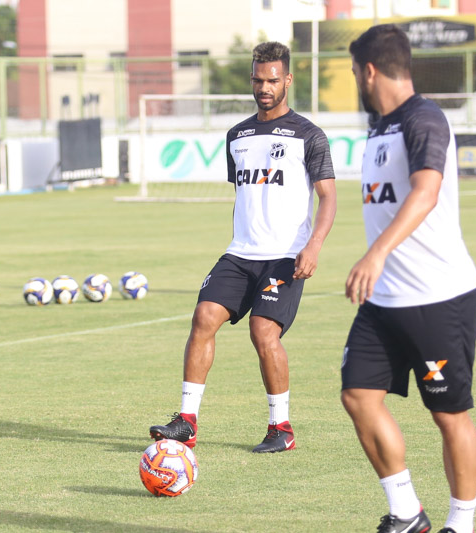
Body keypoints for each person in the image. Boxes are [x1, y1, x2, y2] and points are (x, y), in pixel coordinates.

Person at [149, 41, 336, 453]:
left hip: (286, 254)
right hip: (240, 252)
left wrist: (314, 246)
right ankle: (186, 421)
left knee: (262, 331)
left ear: (287, 80)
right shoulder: (237, 135)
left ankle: (281, 428)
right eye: (257, 79)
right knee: (203, 317)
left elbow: (328, 197)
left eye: (272, 80)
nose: (264, 87)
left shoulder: (309, 135)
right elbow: (246, 195)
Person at [342, 25, 476, 533]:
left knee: (448, 415)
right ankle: (407, 513)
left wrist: (376, 253)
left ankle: (460, 525)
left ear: (369, 71)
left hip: (437, 295)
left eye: (354, 72)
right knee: (358, 394)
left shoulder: (424, 118)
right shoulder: (378, 125)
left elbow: (426, 191)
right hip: (384, 300)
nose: (355, 80)